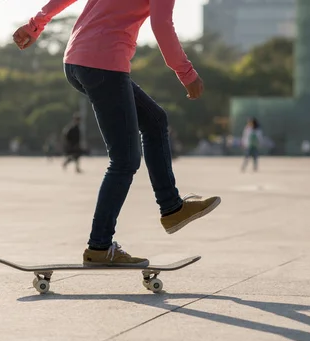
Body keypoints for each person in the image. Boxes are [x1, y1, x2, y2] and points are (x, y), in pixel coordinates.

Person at [14, 0, 221, 267]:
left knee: (155, 120)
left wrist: (35, 25)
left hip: (77, 61)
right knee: (124, 160)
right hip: (103, 64)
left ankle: (172, 208)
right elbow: (161, 26)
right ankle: (99, 245)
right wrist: (187, 73)